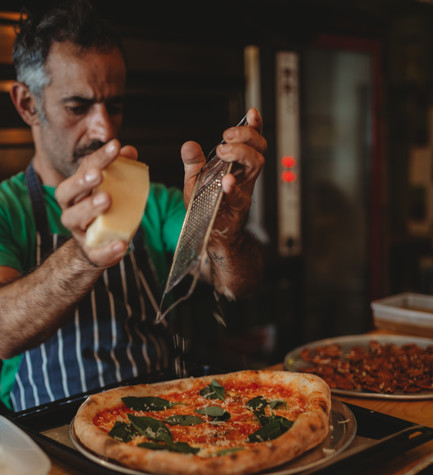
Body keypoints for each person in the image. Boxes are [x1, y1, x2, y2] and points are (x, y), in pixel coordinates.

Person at [0, 0, 266, 412]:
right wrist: (84, 258)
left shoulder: (155, 201)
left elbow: (237, 285)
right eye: (78, 107)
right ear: (27, 104)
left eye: (115, 104)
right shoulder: (5, 210)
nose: (104, 129)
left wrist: (224, 235)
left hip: (168, 419)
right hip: (49, 443)